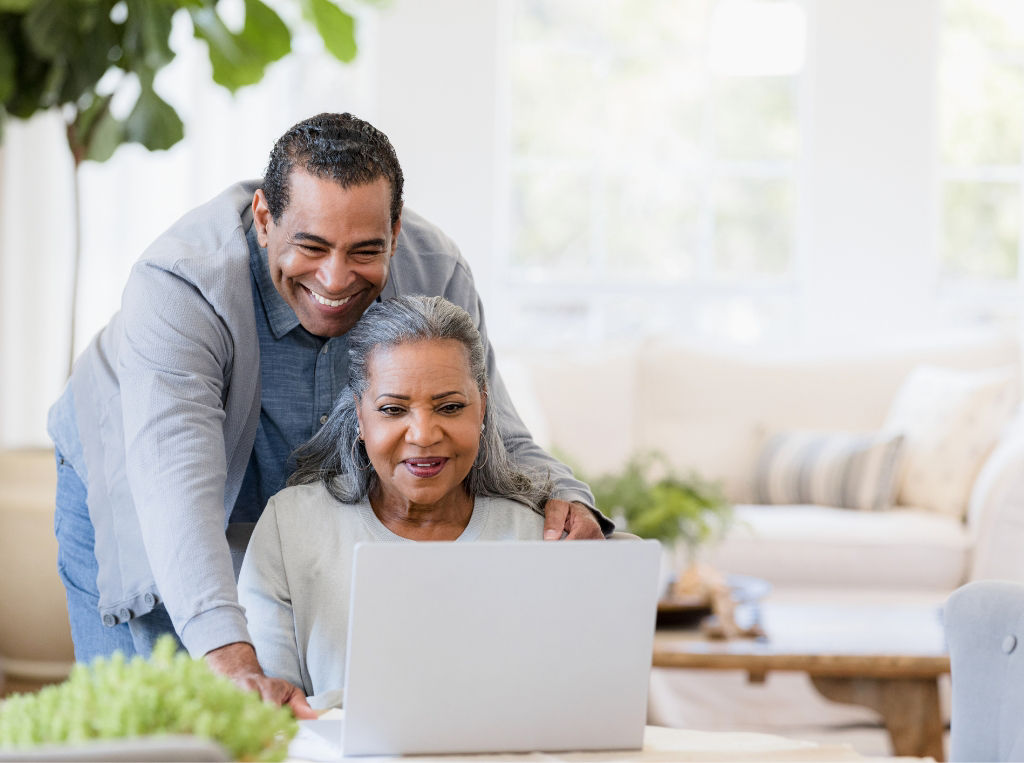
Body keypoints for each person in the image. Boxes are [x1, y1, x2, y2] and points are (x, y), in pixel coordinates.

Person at [47, 113, 610, 717]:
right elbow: (175, 491)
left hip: (290, 507)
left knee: (296, 716)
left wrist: (571, 498)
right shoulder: (182, 284)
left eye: (365, 250)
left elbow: (492, 427)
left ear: (394, 230)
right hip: (146, 481)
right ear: (264, 219)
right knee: (160, 720)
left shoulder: (436, 271)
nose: (335, 279)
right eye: (310, 247)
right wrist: (231, 660)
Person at [238, 295, 551, 705]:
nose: (423, 434)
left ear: (483, 408)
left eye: (451, 407)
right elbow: (273, 713)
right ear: (359, 416)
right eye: (392, 409)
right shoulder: (291, 525)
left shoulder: (539, 536)